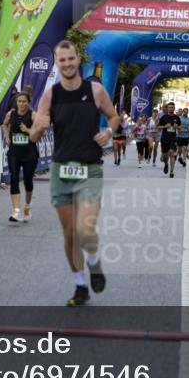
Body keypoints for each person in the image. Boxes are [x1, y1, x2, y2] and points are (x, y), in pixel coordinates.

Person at [29, 40, 118, 307]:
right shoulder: (51, 95)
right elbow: (34, 136)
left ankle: (93, 261)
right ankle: (80, 284)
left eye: (70, 59)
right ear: (57, 63)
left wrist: (108, 132)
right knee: (69, 233)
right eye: (62, 60)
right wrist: (39, 127)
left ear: (78, 59)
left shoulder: (96, 90)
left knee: (85, 228)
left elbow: (114, 117)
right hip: (61, 169)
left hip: (90, 167)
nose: (67, 64)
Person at [2, 91, 38, 222]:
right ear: (16, 102)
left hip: (30, 153)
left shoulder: (33, 115)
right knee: (14, 178)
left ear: (28, 103)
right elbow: (4, 124)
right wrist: (7, 137)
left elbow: (42, 132)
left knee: (28, 182)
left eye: (24, 101)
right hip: (14, 152)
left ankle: (27, 206)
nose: (21, 104)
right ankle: (16, 211)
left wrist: (28, 130)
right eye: (19, 101)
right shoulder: (11, 114)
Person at [157, 101, 182, 178]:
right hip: (164, 138)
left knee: (172, 153)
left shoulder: (177, 117)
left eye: (172, 107)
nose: (171, 109)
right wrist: (165, 126)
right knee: (165, 156)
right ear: (167, 108)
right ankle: (166, 164)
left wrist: (177, 127)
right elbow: (158, 127)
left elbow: (180, 128)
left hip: (173, 138)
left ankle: (171, 172)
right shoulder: (163, 117)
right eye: (169, 107)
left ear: (174, 108)